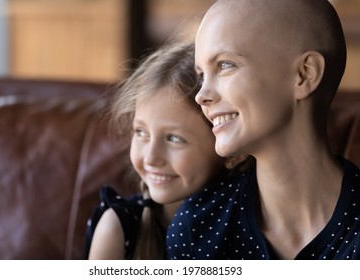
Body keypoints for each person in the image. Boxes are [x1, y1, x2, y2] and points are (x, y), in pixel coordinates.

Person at [166, 0, 360, 260]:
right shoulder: (197, 226)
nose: (201, 95)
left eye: (225, 65)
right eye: (202, 75)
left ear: (305, 74)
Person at [86, 41, 248, 260]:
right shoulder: (118, 228)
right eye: (141, 133)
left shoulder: (249, 225)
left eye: (174, 138)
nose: (151, 158)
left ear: (232, 151)